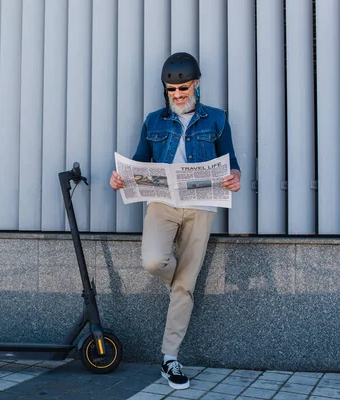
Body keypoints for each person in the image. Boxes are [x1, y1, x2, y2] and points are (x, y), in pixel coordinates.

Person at [109, 52, 241, 390]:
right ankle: (182, 281)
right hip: (162, 203)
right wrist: (123, 178)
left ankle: (170, 358)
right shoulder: (154, 120)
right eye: (172, 90)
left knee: (184, 287)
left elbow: (232, 161)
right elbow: (141, 160)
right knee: (154, 261)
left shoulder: (217, 119)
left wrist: (234, 175)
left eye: (183, 88)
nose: (178, 95)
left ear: (196, 83)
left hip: (202, 206)